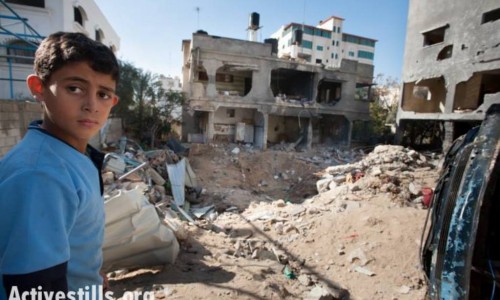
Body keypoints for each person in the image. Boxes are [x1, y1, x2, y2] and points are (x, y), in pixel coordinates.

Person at [0, 31, 119, 299]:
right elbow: (32, 288)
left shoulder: (72, 155)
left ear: (113, 102)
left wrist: (90, 277)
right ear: (38, 88)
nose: (91, 106)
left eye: (103, 94)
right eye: (74, 89)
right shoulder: (40, 175)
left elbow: (72, 240)